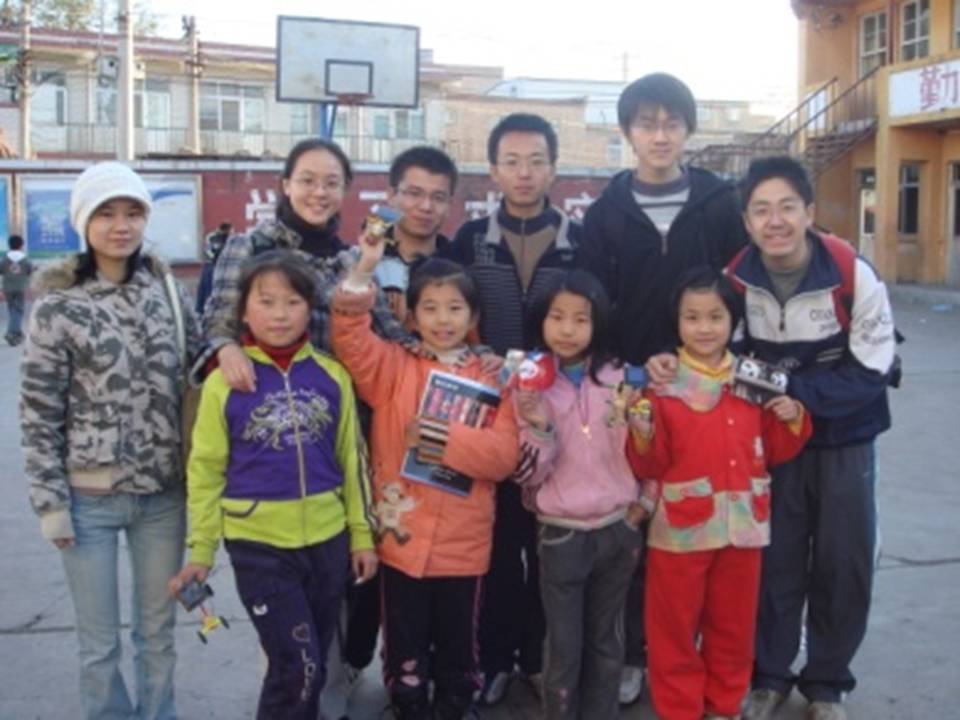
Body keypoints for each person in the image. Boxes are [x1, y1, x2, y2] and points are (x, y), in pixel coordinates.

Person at [579, 72, 747, 704]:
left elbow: (740, 293)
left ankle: (708, 658)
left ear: (688, 130)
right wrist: (621, 371)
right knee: (635, 524)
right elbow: (595, 304)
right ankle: (634, 655)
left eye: (671, 123)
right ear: (627, 132)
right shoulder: (605, 213)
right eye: (646, 124)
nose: (659, 135)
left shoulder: (720, 203)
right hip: (635, 388)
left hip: (709, 390)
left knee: (706, 528)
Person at [20, 161, 200, 720]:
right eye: (106, 214)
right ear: (83, 222)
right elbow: (39, 411)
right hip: (88, 500)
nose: (121, 226)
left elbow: (199, 367)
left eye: (132, 212)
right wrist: (50, 502)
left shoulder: (168, 291)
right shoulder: (58, 304)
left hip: (163, 495)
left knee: (158, 634)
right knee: (98, 646)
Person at [170, 250, 377, 720]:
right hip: (259, 547)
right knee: (297, 667)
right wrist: (201, 550)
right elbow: (205, 471)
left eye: (292, 302)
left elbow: (352, 460)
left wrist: (361, 535)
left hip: (327, 543)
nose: (280, 314)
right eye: (266, 302)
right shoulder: (225, 383)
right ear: (244, 311)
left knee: (311, 666)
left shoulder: (331, 376)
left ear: (310, 309)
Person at [726, 157, 896, 720]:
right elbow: (728, 360)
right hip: (775, 443)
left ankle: (827, 683)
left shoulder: (852, 272)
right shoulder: (734, 281)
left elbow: (871, 370)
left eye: (786, 207)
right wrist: (780, 403)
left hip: (846, 439)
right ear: (747, 222)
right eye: (761, 210)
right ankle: (769, 676)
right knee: (773, 559)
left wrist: (795, 393)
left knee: (844, 563)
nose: (775, 221)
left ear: (809, 212)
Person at [330, 234, 520, 720]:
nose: (442, 319)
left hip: (464, 543)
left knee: (459, 642)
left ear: (473, 318)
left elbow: (502, 457)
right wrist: (363, 269)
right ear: (411, 318)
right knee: (405, 642)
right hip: (402, 540)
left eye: (455, 308)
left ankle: (455, 703)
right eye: (430, 308)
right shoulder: (393, 368)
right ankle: (407, 703)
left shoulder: (494, 379)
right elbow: (349, 335)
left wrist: (437, 438)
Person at [627, 266, 811, 720]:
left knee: (733, 627)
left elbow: (776, 449)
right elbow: (649, 464)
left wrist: (791, 416)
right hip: (680, 531)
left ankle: (725, 704)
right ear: (677, 322)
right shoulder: (661, 384)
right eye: (692, 317)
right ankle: (680, 709)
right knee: (672, 628)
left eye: (715, 317)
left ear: (734, 321)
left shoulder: (755, 378)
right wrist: (641, 430)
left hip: (743, 528)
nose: (704, 328)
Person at [442, 112, 579, 705]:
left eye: (536, 161)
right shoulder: (470, 241)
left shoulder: (581, 242)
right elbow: (451, 316)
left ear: (554, 168)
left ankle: (540, 658)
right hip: (490, 415)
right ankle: (494, 659)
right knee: (497, 546)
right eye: (512, 162)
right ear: (493, 170)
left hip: (558, 415)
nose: (524, 173)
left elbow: (594, 320)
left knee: (551, 547)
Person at [511, 269, 644, 720]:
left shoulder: (619, 378)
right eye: (557, 317)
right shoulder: (528, 384)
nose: (568, 330)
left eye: (581, 319)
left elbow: (646, 451)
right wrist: (539, 426)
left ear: (599, 322)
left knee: (607, 642)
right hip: (561, 533)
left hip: (618, 528)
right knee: (564, 647)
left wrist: (642, 505)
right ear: (540, 320)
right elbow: (526, 474)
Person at [198, 138, 408, 391]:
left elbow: (389, 331)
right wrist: (227, 349)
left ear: (344, 190)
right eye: (307, 181)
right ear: (287, 185)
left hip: (339, 401)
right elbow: (218, 323)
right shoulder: (247, 247)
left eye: (332, 183)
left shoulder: (355, 259)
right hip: (262, 399)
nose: (320, 192)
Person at [375, 145, 458, 323]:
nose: (426, 207)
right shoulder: (363, 262)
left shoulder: (460, 268)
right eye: (414, 194)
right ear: (391, 195)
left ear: (449, 205)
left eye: (438, 197)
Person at [1, 233, 34, 345]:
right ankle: (11, 332)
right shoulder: (25, 259)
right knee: (18, 310)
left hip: (7, 288)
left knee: (12, 310)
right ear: (21, 245)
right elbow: (30, 271)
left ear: (9, 245)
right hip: (21, 288)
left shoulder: (4, 259)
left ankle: (17, 333)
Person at [195, 221, 232, 314]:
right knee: (207, 291)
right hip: (211, 266)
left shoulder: (229, 238)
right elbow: (207, 251)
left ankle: (204, 309)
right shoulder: (212, 237)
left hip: (218, 267)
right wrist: (216, 258)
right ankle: (203, 310)